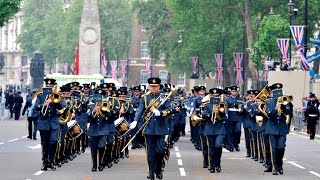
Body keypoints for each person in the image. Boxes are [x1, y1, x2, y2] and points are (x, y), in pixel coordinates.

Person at [129, 77, 179, 180]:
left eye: (156, 87)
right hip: (148, 128)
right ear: (148, 86)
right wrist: (135, 120)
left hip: (161, 128)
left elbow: (170, 110)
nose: (154, 88)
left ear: (159, 86)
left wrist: (160, 113)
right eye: (152, 86)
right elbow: (140, 110)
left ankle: (159, 168)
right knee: (150, 152)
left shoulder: (164, 97)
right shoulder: (144, 97)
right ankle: (151, 173)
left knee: (160, 151)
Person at [34, 78, 67, 171]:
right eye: (48, 86)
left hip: (54, 124)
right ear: (45, 86)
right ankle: (45, 162)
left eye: (51, 86)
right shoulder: (40, 95)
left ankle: (51, 161)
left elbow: (62, 108)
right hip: (44, 123)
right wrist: (44, 104)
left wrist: (54, 102)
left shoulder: (57, 96)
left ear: (53, 86)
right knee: (44, 144)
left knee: (54, 141)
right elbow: (36, 107)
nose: (49, 87)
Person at [265, 83, 290, 175]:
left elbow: (288, 112)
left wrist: (282, 105)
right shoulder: (269, 102)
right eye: (276, 92)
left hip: (282, 128)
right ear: (273, 92)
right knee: (274, 148)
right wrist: (276, 108)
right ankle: (275, 168)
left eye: (280, 91)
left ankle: (280, 164)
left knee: (281, 147)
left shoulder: (285, 101)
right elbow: (269, 115)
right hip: (272, 128)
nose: (278, 94)